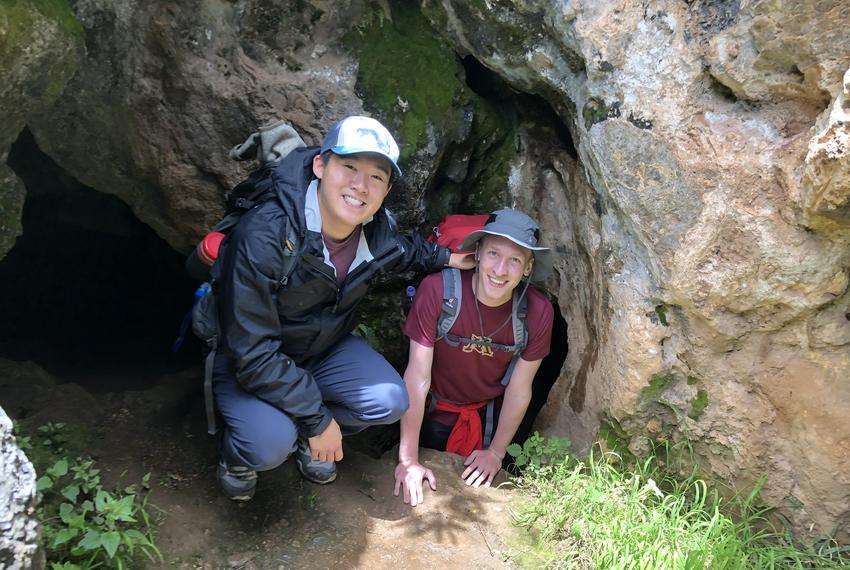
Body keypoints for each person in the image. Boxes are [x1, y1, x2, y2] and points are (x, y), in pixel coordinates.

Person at [211, 116, 471, 501]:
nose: (360, 186)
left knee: (391, 400)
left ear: (386, 190)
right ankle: (239, 456)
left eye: (376, 177)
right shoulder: (267, 233)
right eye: (349, 166)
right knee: (268, 444)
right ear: (320, 165)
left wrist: (451, 258)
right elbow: (251, 351)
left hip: (319, 350)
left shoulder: (375, 231)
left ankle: (307, 441)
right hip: (249, 362)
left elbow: (406, 250)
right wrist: (318, 419)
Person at [393, 209, 554, 506]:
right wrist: (409, 459)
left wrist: (496, 453)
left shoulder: (537, 312)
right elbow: (417, 377)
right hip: (431, 409)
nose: (500, 270)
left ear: (528, 268)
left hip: (486, 417)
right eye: (493, 253)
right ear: (477, 253)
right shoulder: (439, 291)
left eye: (515, 260)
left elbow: (519, 390)